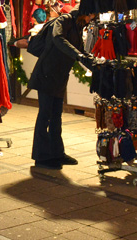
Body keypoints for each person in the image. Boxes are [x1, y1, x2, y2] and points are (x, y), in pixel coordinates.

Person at [24, 10, 96, 170]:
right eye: (90, 15)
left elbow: (80, 50)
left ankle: (57, 153)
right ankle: (41, 157)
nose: (90, 19)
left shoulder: (77, 26)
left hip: (59, 75)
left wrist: (92, 62)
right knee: (45, 115)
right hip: (47, 73)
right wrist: (78, 55)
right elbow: (58, 38)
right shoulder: (64, 20)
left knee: (56, 115)